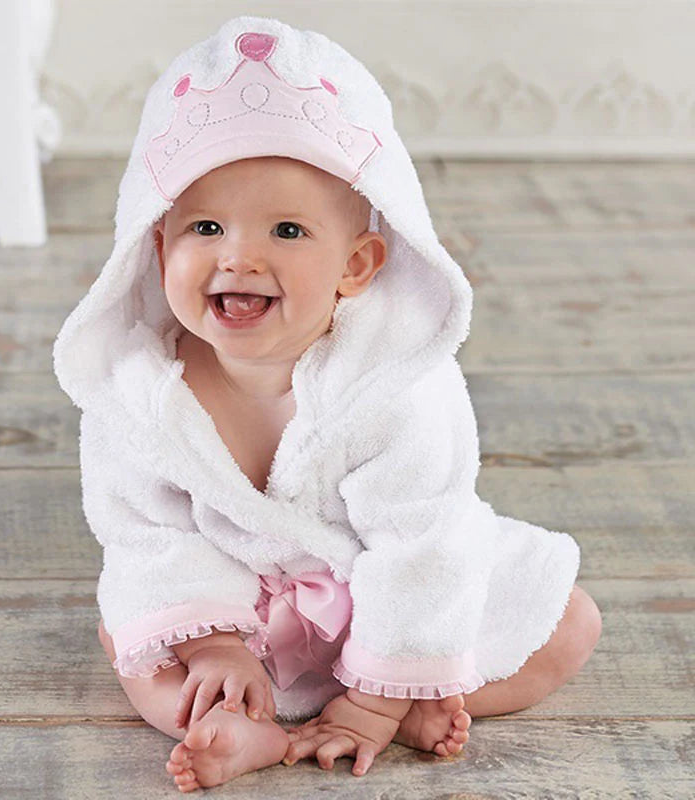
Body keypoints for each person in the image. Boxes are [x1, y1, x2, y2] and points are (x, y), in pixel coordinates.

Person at [52, 15, 602, 793]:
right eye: (205, 225)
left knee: (569, 624)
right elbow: (146, 534)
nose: (239, 255)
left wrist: (375, 700)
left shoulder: (393, 383)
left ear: (357, 265)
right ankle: (246, 722)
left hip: (387, 596)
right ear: (156, 245)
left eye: (286, 229)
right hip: (241, 622)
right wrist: (214, 645)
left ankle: (398, 695)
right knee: (128, 634)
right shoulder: (138, 389)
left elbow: (421, 537)